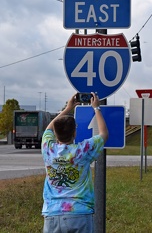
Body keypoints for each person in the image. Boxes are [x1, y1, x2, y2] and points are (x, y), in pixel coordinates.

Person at [41, 92, 108, 233]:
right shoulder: (82, 151)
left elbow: (48, 128)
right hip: (80, 213)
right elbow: (103, 134)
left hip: (52, 214)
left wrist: (67, 109)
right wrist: (96, 108)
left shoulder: (48, 149)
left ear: (56, 134)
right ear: (74, 133)